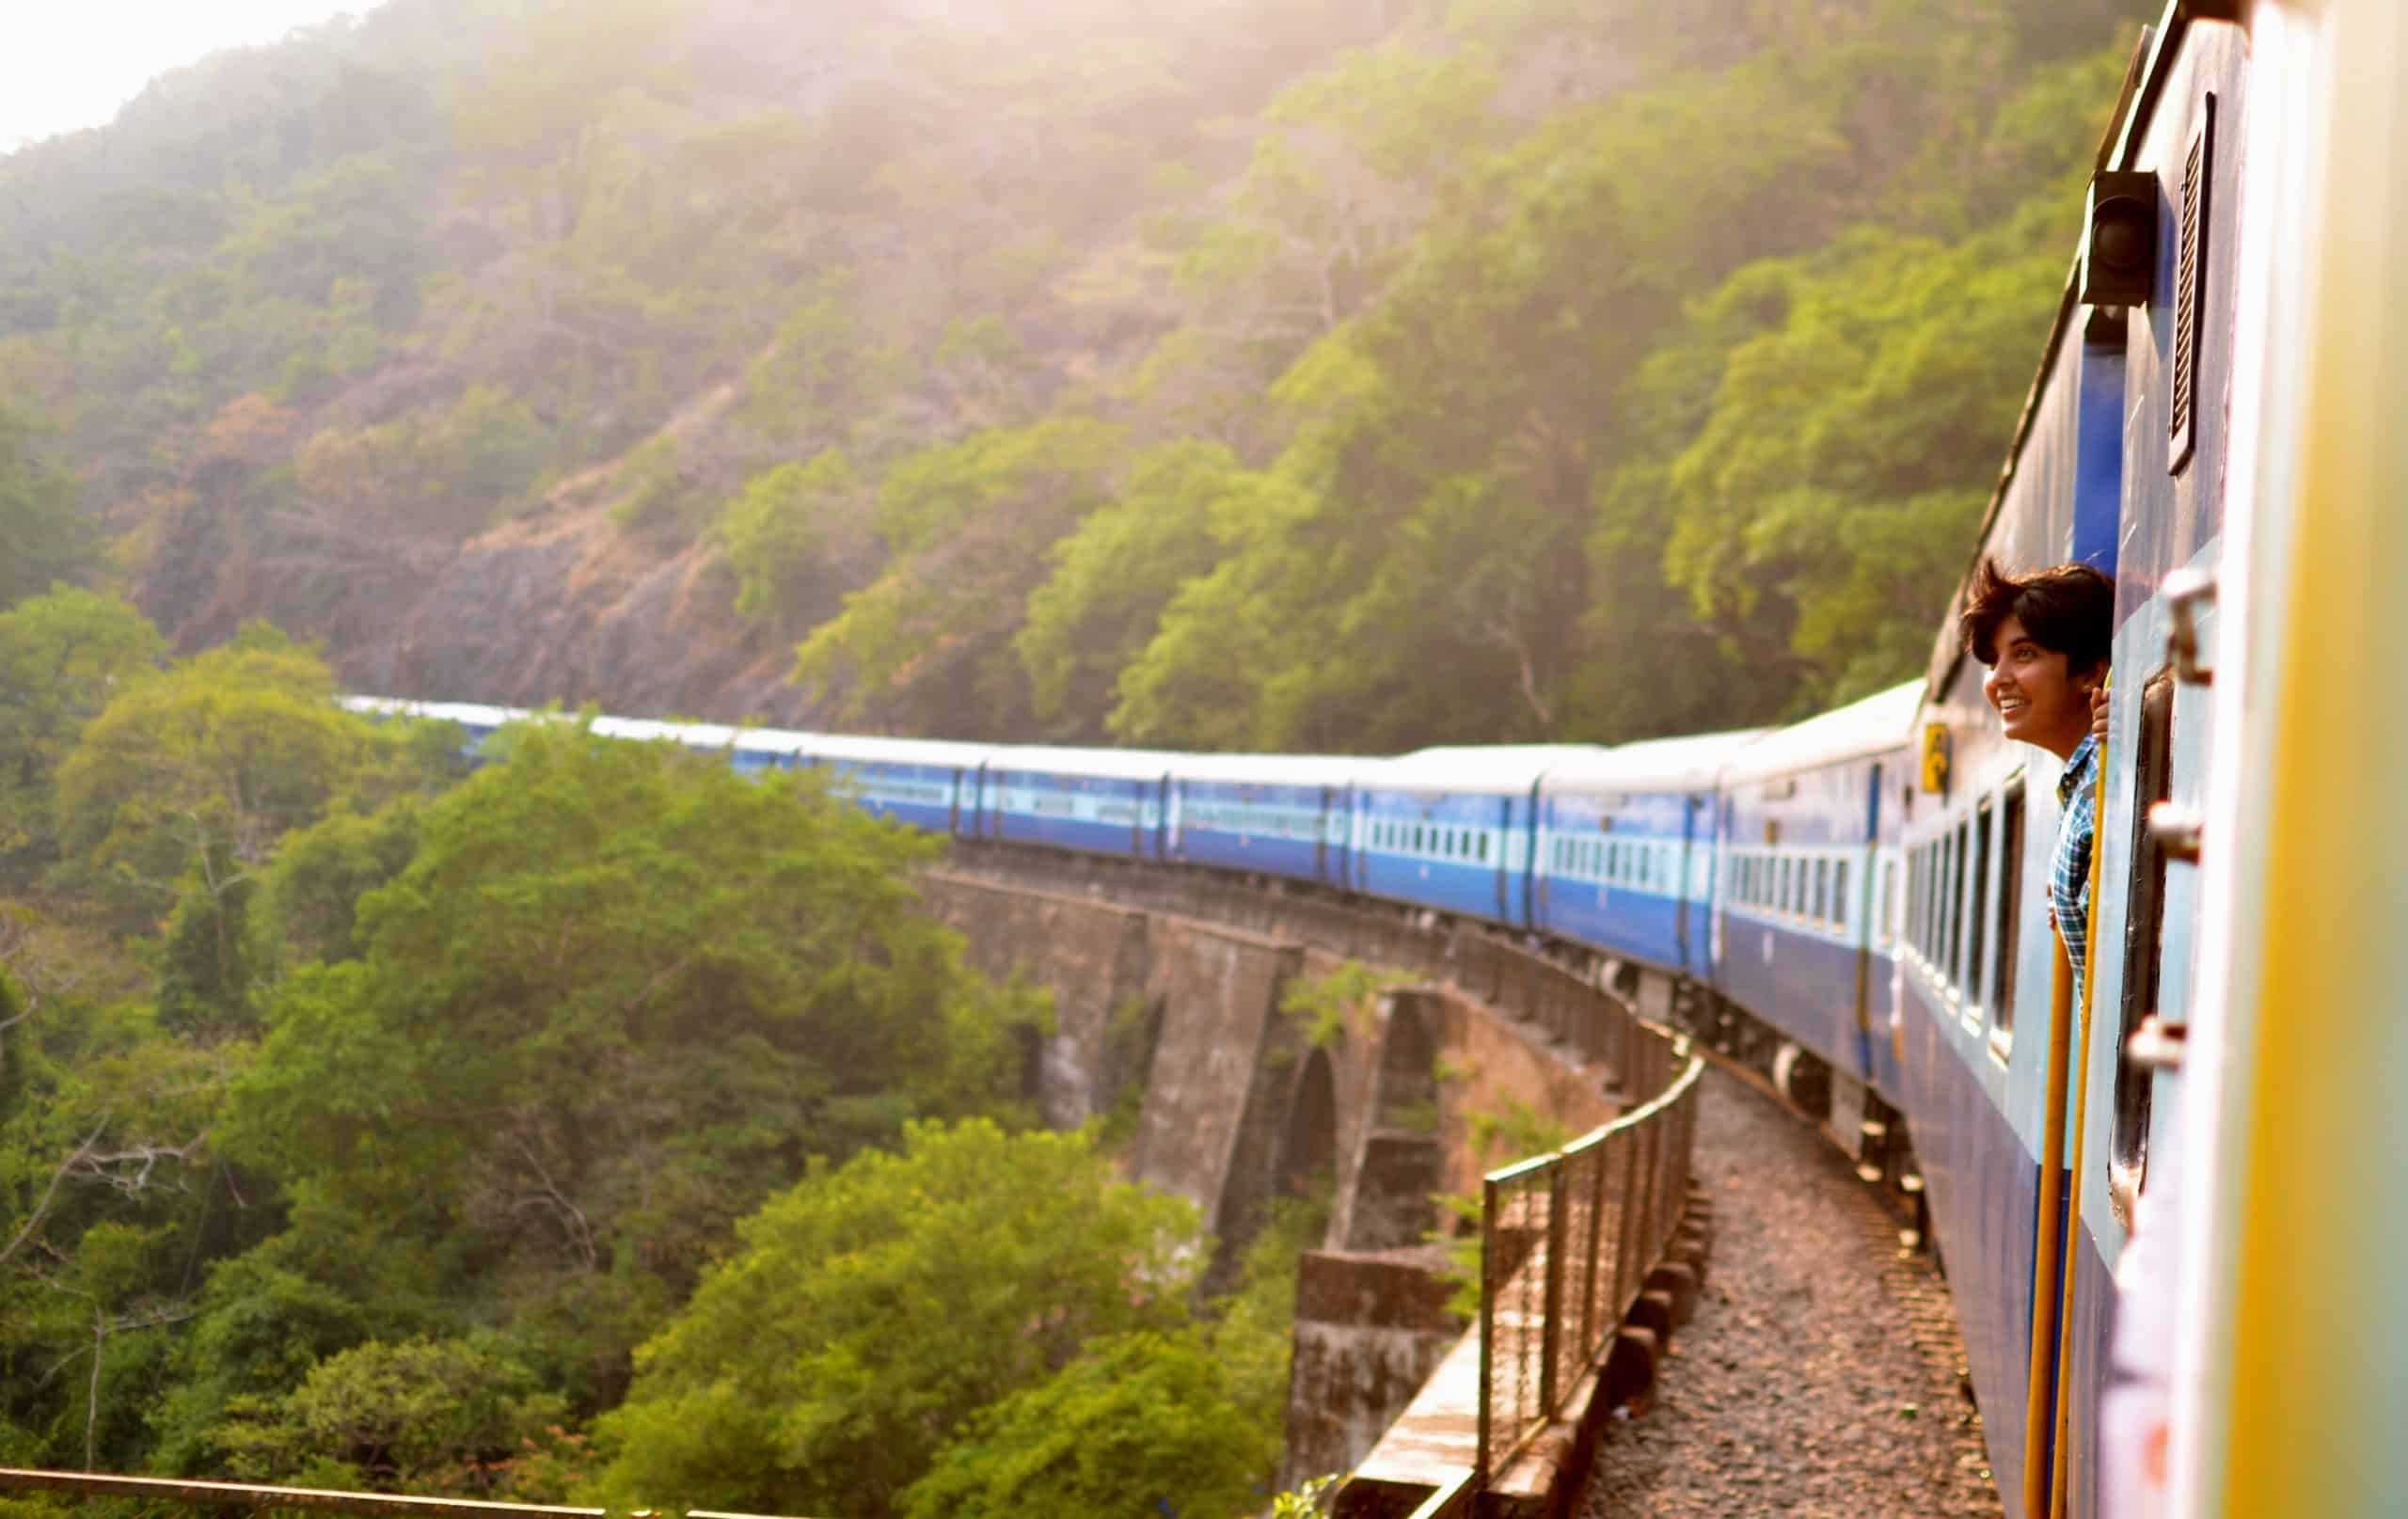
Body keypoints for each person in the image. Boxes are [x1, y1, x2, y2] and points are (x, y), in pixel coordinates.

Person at [1957, 556, 2115, 989]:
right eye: (1994, 663)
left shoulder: (2109, 786)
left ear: (2090, 672)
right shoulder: (2083, 784)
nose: (1997, 680)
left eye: (2024, 654)